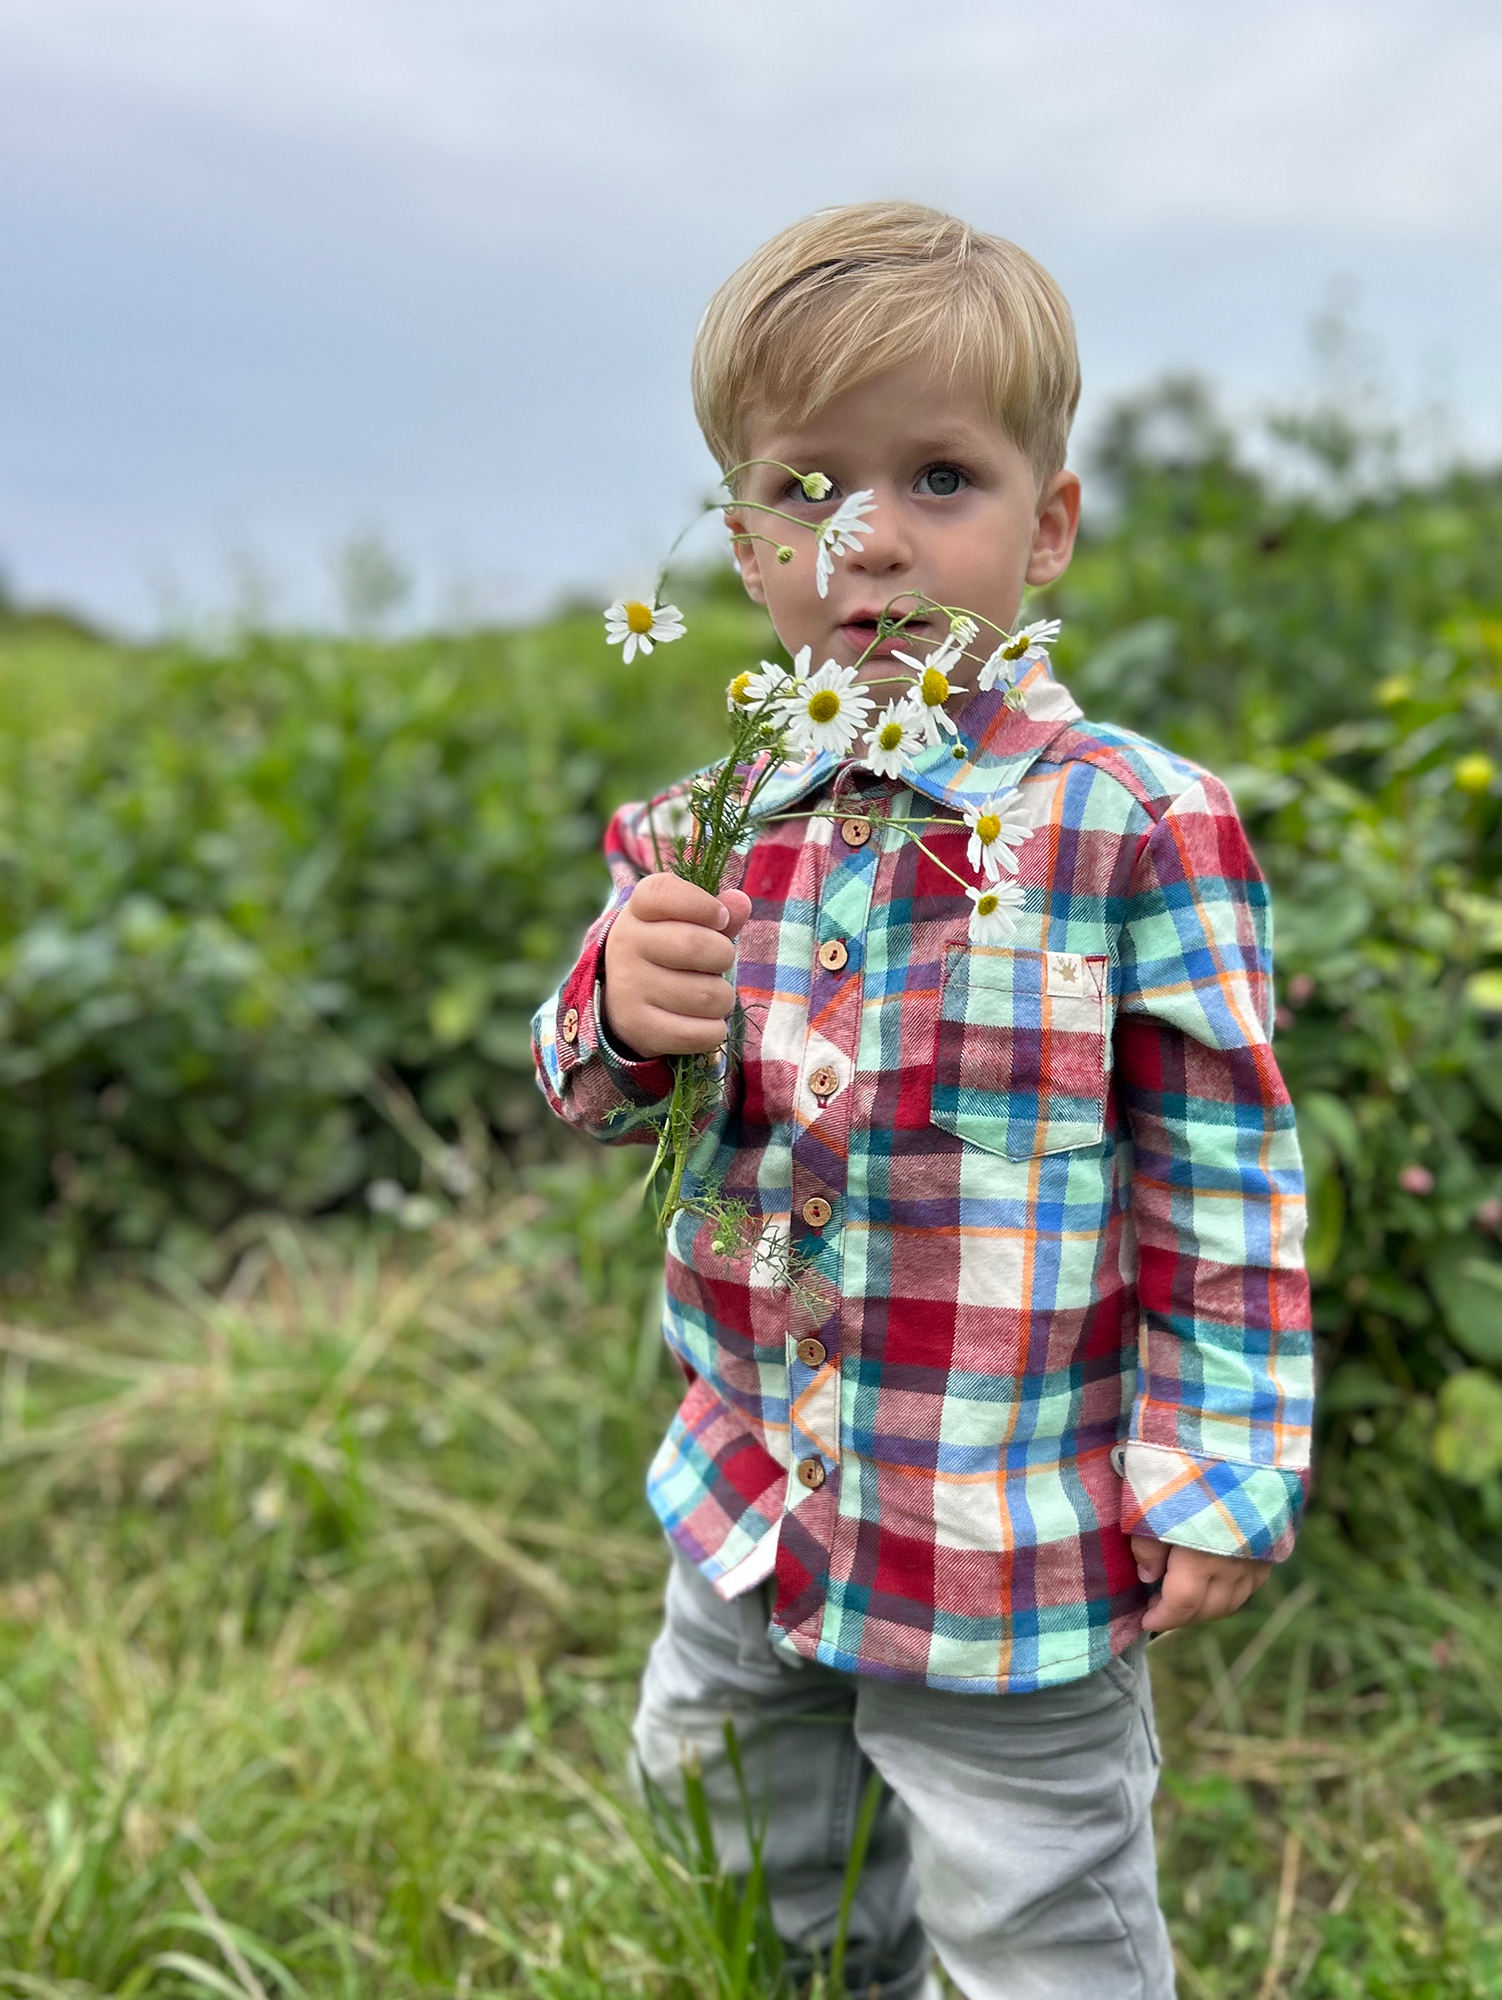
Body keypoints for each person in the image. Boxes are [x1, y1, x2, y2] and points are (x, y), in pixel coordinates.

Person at [531, 201, 1313, 2000]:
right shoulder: (708, 820)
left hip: (1005, 1530)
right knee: (737, 1845)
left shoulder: (1130, 819)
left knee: (1034, 1907)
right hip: (753, 1496)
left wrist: (1223, 1456)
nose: (869, 540)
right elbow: (587, 1095)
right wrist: (619, 1014)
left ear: (1047, 530)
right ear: (741, 545)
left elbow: (1224, 1165)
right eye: (807, 491)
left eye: (939, 477)